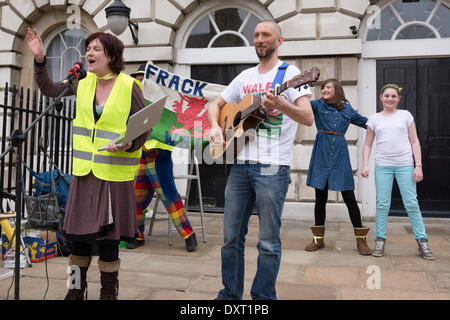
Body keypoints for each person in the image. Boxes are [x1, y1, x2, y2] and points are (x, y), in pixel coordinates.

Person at [26, 28, 151, 300]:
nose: (89, 53)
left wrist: (128, 143)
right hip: (84, 175)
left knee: (108, 242)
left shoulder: (130, 86)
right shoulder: (81, 82)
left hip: (114, 176)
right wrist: (39, 58)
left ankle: (108, 293)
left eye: (96, 48)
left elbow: (144, 128)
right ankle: (74, 291)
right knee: (78, 240)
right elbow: (49, 89)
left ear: (112, 55)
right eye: (88, 48)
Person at [208, 20, 314, 300]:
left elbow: (308, 117)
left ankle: (264, 298)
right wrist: (215, 127)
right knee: (231, 239)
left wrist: (282, 104)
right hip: (240, 164)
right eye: (255, 35)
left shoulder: (290, 74)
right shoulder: (244, 77)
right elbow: (214, 105)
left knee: (267, 241)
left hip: (273, 166)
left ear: (279, 41)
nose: (259, 39)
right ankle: (229, 295)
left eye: (266, 35)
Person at [128, 64, 198, 252]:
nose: (140, 80)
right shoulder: (132, 98)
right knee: (135, 199)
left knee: (169, 197)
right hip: (140, 154)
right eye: (138, 77)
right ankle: (137, 235)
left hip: (159, 155)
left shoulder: (161, 100)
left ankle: (189, 235)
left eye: (143, 77)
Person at [361, 84, 435, 260]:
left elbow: (414, 141)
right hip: (383, 166)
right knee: (382, 204)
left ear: (398, 99)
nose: (390, 99)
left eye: (393, 96)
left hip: (405, 165)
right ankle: (380, 239)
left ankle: (422, 241)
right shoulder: (374, 119)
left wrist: (419, 165)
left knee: (411, 203)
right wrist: (365, 164)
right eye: (386, 95)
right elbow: (368, 144)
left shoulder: (406, 116)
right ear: (381, 97)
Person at [305, 79, 371, 255]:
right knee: (320, 199)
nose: (324, 90)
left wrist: (388, 123)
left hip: (340, 156)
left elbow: (368, 123)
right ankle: (318, 240)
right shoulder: (316, 105)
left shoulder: (347, 110)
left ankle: (361, 241)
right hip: (321, 154)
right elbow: (300, 107)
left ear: (337, 90)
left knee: (349, 198)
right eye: (323, 87)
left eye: (328, 87)